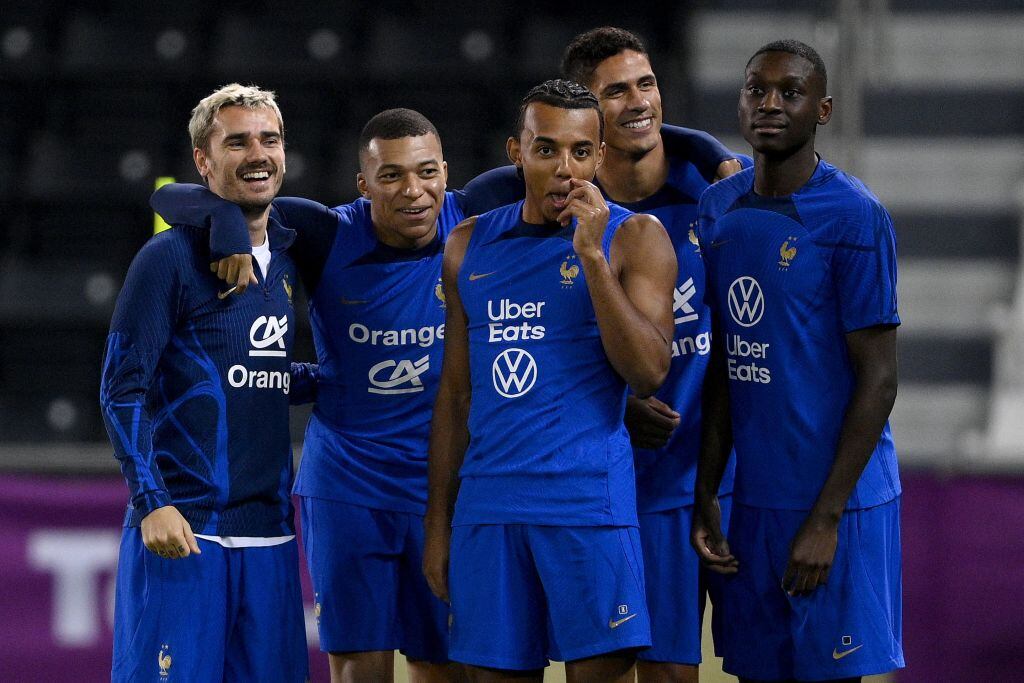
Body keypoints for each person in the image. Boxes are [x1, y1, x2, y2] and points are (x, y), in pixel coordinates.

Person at [150, 109, 473, 682]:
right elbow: (171, 197)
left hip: (446, 486)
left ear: (446, 171)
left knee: (445, 665)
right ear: (363, 184)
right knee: (357, 665)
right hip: (350, 487)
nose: (414, 191)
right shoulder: (327, 232)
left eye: (426, 172)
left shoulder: (473, 216)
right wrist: (225, 220)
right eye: (392, 176)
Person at [462, 27, 744, 681]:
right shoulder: (513, 213)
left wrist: (707, 147)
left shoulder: (717, 195)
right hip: (605, 484)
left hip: (705, 474)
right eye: (615, 92)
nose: (639, 101)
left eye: (646, 83)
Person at [423, 79, 676, 681]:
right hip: (489, 511)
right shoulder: (466, 244)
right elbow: (456, 397)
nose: (566, 169)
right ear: (517, 151)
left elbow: (647, 372)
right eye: (547, 150)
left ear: (601, 155)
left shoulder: (635, 237)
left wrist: (590, 258)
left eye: (581, 152)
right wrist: (438, 526)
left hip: (588, 506)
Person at [691, 40, 904, 683]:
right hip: (753, 502)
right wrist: (707, 490)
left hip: (836, 505)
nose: (771, 105)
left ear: (824, 110)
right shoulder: (717, 210)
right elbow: (728, 362)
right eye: (757, 90)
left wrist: (826, 519)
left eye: (790, 92)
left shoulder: (855, 215)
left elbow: (880, 379)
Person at [100, 83, 309, 682]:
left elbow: (250, 373)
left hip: (270, 537)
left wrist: (340, 380)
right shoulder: (166, 258)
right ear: (203, 161)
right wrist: (152, 502)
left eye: (270, 139)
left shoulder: (291, 253)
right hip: (186, 533)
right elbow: (122, 386)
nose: (258, 154)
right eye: (237, 142)